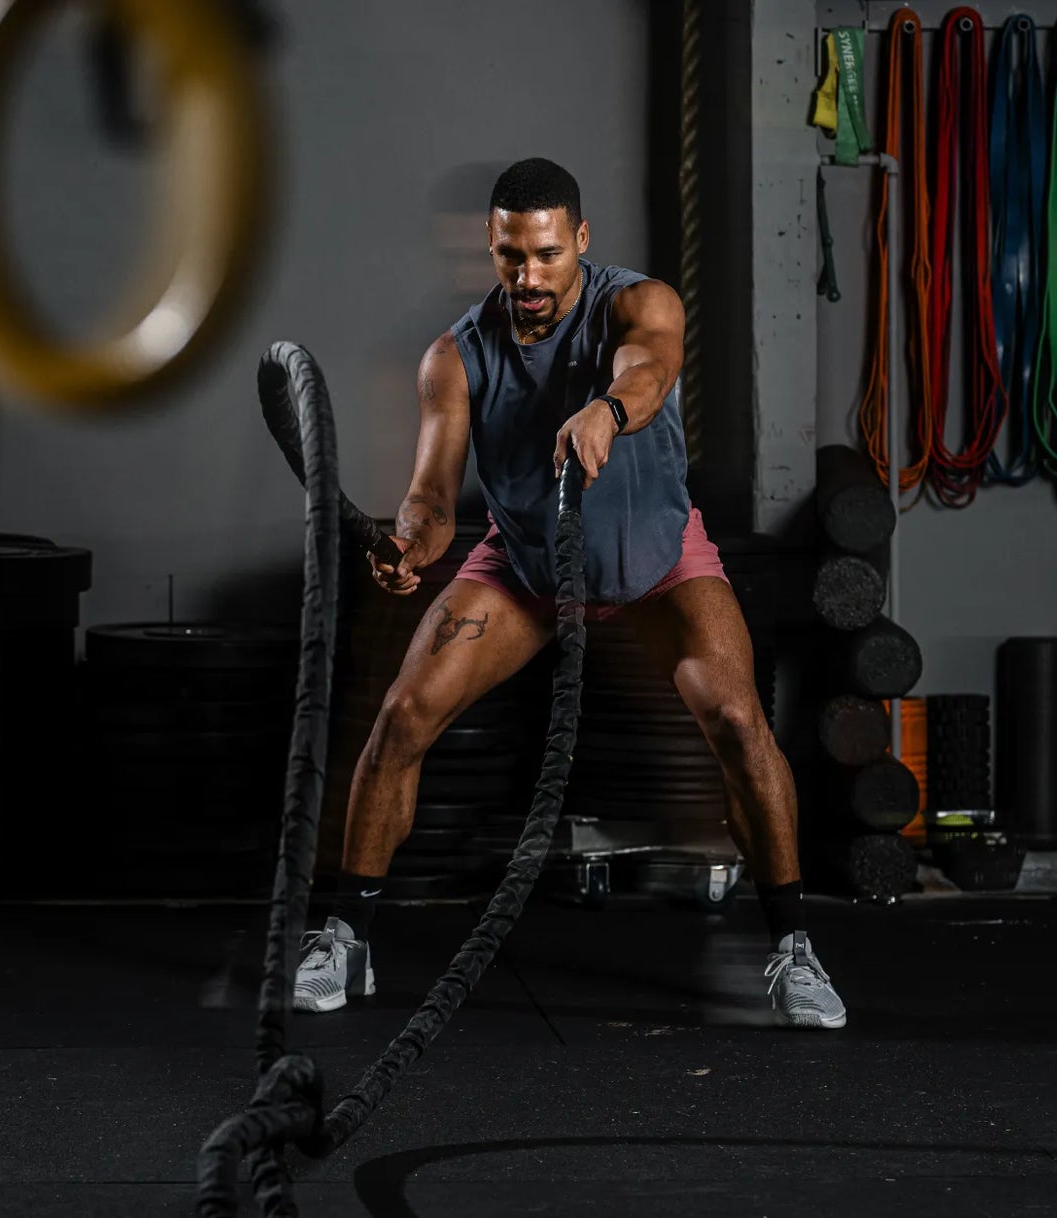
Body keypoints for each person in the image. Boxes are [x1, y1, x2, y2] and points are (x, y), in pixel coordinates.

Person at [294, 158, 845, 1030]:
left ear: (580, 241)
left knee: (738, 719)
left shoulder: (639, 302)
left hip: (659, 563)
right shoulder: (456, 356)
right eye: (512, 256)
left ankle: (793, 949)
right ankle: (345, 937)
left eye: (547, 254)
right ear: (492, 248)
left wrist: (608, 411)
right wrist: (410, 545)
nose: (530, 276)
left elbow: (651, 366)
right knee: (403, 716)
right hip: (527, 571)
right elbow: (433, 495)